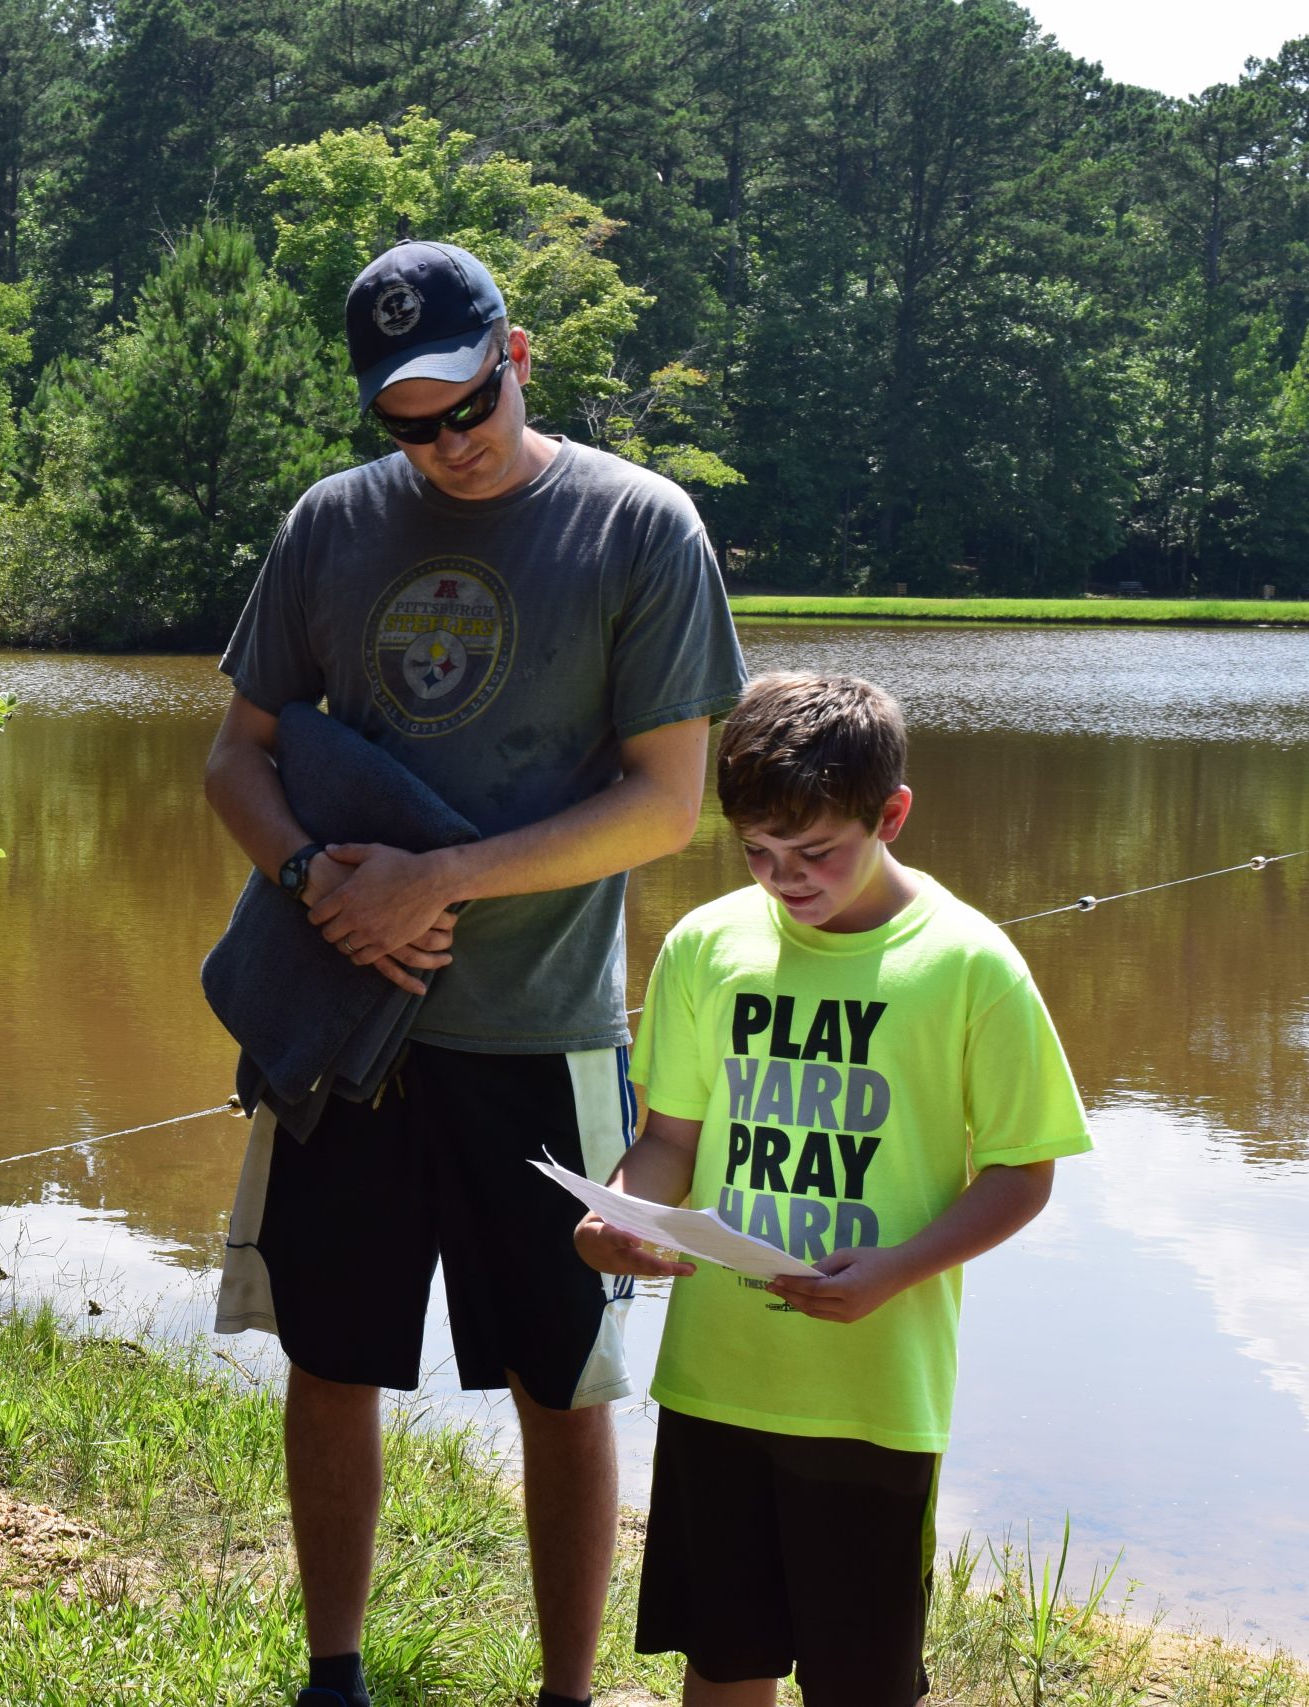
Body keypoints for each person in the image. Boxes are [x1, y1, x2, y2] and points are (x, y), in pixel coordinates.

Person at [204, 239, 748, 1707]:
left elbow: (664, 802)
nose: (442, 443)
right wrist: (318, 881)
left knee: (561, 1377)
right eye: (405, 421)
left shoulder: (640, 526)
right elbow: (238, 754)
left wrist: (439, 879)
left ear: (518, 357)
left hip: (544, 1033)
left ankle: (565, 1690)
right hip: (342, 1023)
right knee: (331, 1353)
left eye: (465, 407)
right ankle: (335, 1673)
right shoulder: (327, 526)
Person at [577, 672, 1092, 1706]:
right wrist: (620, 1212)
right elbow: (668, 1137)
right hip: (717, 1378)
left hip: (870, 1394)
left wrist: (898, 1269)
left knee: (860, 1679)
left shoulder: (968, 965)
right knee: (724, 1660)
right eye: (758, 854)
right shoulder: (706, 946)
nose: (785, 880)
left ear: (889, 813)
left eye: (815, 853)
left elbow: (1021, 1172)